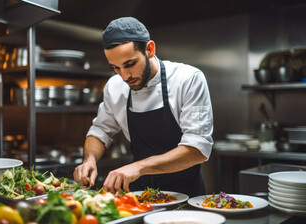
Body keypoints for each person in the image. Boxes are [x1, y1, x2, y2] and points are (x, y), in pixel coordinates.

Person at [73, 17, 213, 197]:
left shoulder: (188, 79)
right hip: (138, 194)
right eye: (115, 68)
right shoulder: (115, 86)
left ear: (150, 49)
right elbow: (100, 130)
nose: (124, 76)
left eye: (130, 64)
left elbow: (198, 149)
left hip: (185, 194)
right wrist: (89, 159)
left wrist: (139, 167)